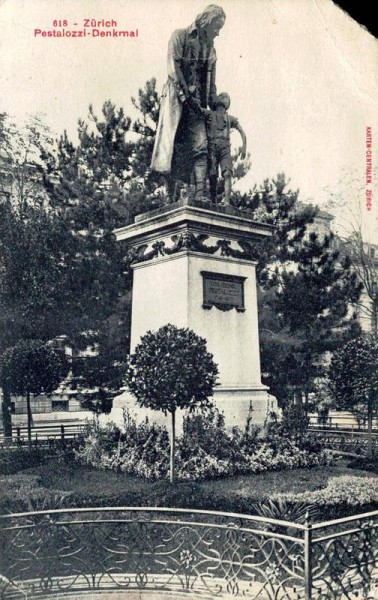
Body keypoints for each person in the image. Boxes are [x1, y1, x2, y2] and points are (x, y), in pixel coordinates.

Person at [150, 5, 226, 202]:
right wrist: (186, 96)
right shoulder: (179, 36)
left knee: (201, 145)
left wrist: (217, 103)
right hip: (176, 100)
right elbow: (173, 69)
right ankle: (169, 196)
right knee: (172, 147)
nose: (218, 33)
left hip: (197, 105)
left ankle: (200, 193)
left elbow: (211, 85)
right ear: (206, 22)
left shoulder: (211, 50)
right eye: (216, 27)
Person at [202, 92, 247, 205]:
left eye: (226, 97)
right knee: (212, 174)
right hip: (212, 147)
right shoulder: (209, 114)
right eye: (221, 96)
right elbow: (197, 109)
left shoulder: (230, 119)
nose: (223, 99)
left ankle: (226, 200)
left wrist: (244, 147)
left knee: (227, 173)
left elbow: (242, 132)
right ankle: (213, 200)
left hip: (225, 149)